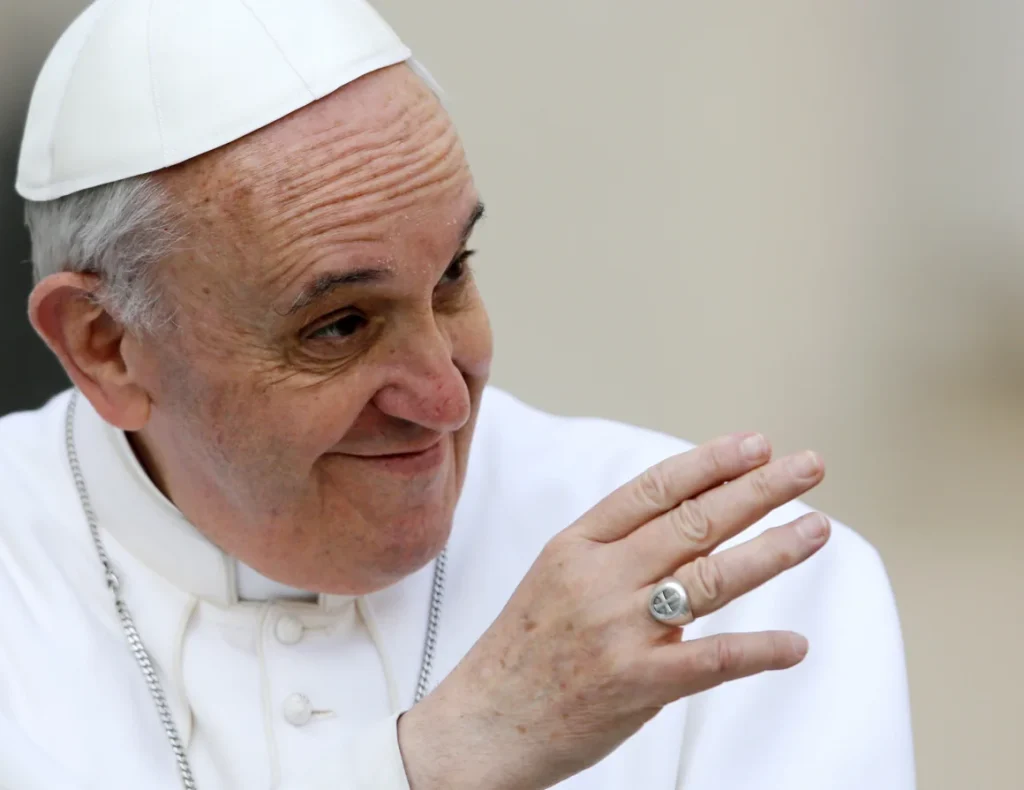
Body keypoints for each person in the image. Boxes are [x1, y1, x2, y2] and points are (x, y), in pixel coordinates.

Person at [0, 1, 915, 788]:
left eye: (451, 277)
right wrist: (441, 763)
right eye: (340, 326)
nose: (444, 398)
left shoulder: (727, 593)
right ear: (108, 346)